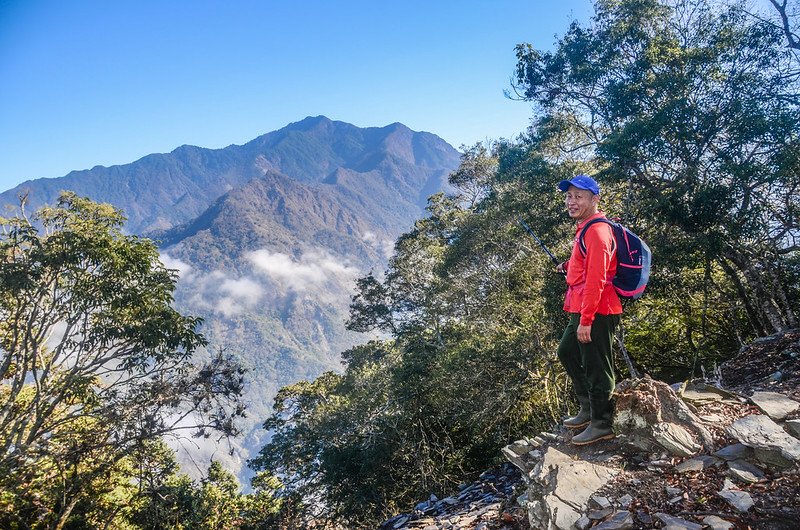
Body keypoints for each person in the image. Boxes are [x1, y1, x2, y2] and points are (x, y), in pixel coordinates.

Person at [555, 174, 622, 445]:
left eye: (578, 196)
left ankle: (602, 422)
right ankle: (587, 409)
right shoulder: (585, 228)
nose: (571, 201)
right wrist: (567, 266)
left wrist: (586, 320)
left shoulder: (597, 232)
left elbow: (598, 279)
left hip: (597, 310)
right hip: (581, 306)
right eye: (569, 196)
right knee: (567, 352)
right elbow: (585, 266)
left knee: (597, 366)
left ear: (595, 199)